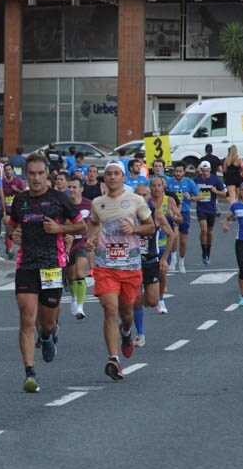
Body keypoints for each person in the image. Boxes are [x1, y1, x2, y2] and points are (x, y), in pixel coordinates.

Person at [6, 154, 86, 393]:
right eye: (32, 173)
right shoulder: (20, 200)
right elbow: (10, 224)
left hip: (52, 265)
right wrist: (13, 234)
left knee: (47, 320)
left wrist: (60, 228)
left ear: (47, 174)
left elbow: (81, 225)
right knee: (27, 318)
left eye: (40, 173)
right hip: (26, 265)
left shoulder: (59, 199)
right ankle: (30, 373)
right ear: (26, 175)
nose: (36, 178)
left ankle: (48, 335)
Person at [86, 162, 155, 381]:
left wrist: (134, 228)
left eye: (117, 174)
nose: (113, 177)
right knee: (110, 308)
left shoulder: (136, 200)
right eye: (109, 174)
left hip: (130, 267)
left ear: (123, 177)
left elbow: (151, 226)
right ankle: (113, 358)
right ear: (104, 178)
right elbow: (94, 225)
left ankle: (126, 333)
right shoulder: (98, 203)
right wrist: (90, 238)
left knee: (126, 314)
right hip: (105, 266)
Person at [131, 180, 177, 347]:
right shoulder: (128, 214)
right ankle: (140, 333)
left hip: (151, 261)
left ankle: (136, 308)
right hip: (133, 262)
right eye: (138, 195)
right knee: (136, 299)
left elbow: (171, 235)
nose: (141, 198)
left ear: (149, 196)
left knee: (151, 301)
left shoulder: (156, 214)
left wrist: (164, 258)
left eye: (144, 195)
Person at [147, 173, 182, 314]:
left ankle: (161, 300)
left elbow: (180, 220)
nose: (156, 188)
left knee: (163, 273)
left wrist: (172, 216)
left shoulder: (169, 200)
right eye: (153, 186)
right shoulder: (146, 200)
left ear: (163, 187)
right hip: (148, 245)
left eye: (159, 186)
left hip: (163, 244)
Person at [64, 175, 93, 321]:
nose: (71, 190)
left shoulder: (89, 205)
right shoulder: (63, 205)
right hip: (68, 244)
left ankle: (80, 306)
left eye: (75, 187)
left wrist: (92, 237)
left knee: (80, 271)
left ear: (81, 189)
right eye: (69, 187)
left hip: (82, 243)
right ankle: (74, 297)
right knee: (70, 274)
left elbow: (96, 223)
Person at [165, 162, 200, 274]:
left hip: (184, 213)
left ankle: (181, 261)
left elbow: (199, 196)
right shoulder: (169, 182)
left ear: (184, 172)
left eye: (180, 171)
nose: (178, 173)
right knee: (173, 236)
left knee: (183, 240)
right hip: (172, 212)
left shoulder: (189, 182)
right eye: (176, 171)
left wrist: (191, 197)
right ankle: (173, 259)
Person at [193, 160, 227, 265]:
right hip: (201, 208)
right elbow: (191, 191)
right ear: (201, 170)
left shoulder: (215, 179)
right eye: (203, 171)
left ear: (210, 170)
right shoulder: (196, 180)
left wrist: (216, 191)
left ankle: (208, 251)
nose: (205, 173)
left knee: (209, 231)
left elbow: (225, 194)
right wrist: (193, 197)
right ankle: (203, 252)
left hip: (211, 208)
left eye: (206, 171)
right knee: (203, 229)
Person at [1, 163, 27, 259]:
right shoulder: (2, 182)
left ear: (12, 171)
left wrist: (17, 190)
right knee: (8, 226)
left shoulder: (18, 181)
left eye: (9, 169)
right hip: (6, 209)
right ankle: (10, 249)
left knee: (18, 230)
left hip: (18, 210)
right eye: (6, 170)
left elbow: (25, 194)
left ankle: (15, 246)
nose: (8, 171)